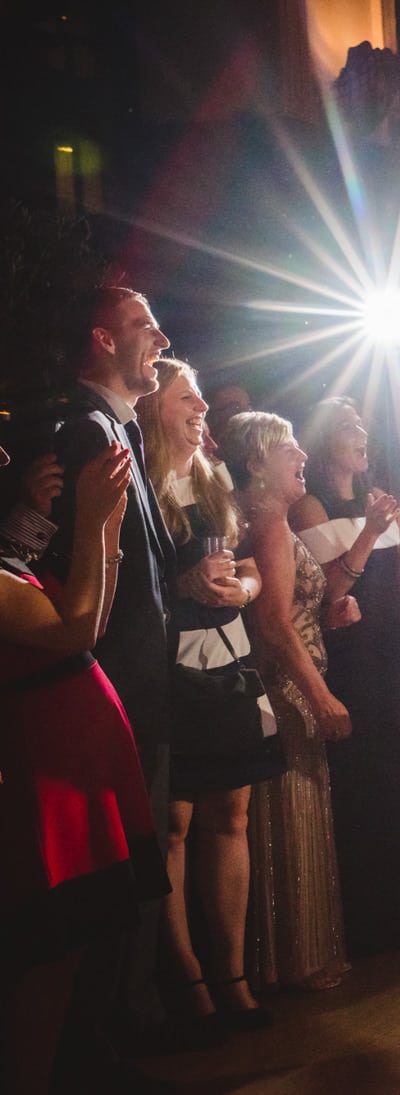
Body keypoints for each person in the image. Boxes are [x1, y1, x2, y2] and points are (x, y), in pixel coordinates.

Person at [43, 287, 183, 1064]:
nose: (160, 336)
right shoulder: (85, 431)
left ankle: (124, 1029)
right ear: (101, 339)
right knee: (116, 887)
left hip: (138, 695)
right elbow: (67, 568)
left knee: (136, 879)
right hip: (112, 699)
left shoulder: (117, 425)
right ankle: (104, 1050)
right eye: (142, 325)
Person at [2, 440, 168, 1095]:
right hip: (44, 780)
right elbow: (76, 629)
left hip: (72, 769)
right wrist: (93, 520)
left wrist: (89, 525)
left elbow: (91, 611)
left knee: (68, 952)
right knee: (42, 962)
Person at [134, 360, 283, 1032]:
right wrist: (182, 586)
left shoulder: (211, 477)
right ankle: (187, 978)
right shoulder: (136, 483)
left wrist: (241, 591)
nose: (200, 407)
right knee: (173, 824)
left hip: (229, 662)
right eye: (185, 396)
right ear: (150, 408)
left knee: (233, 813)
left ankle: (233, 974)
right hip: (170, 671)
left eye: (199, 395)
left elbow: (250, 566)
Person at [291, 396, 400, 955]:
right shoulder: (308, 506)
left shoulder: (376, 496)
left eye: (363, 425)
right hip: (349, 653)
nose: (361, 434)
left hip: (393, 645)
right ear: (322, 441)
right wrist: (370, 532)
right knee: (364, 781)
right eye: (346, 427)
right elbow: (330, 591)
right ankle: (369, 919)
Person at [221, 412, 353, 992]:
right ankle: (292, 961)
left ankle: (281, 959)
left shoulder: (261, 520)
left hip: (285, 684)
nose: (302, 456)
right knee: (290, 818)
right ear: (256, 463)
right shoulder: (270, 525)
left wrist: (330, 612)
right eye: (289, 448)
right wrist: (321, 695)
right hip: (288, 689)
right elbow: (273, 622)